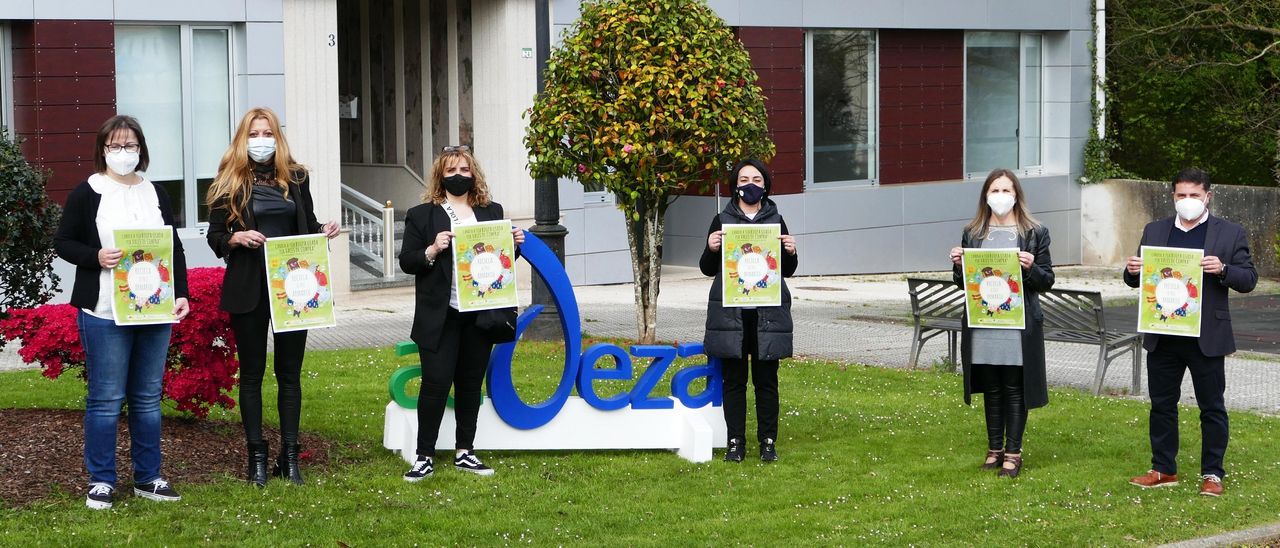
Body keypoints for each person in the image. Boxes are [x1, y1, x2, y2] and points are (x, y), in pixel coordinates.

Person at [54, 115, 191, 509]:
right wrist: (95, 256)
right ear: (102, 150)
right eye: (115, 146)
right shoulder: (88, 192)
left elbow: (173, 247)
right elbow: (64, 242)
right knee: (106, 397)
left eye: (130, 146)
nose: (123, 153)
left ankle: (149, 478)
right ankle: (101, 480)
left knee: (148, 397)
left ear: (141, 149)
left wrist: (180, 292)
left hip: (154, 308)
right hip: (103, 310)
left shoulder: (156, 192)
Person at [206, 107, 340, 486]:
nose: (261, 140)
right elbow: (215, 236)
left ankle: (290, 457)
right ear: (242, 139)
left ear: (277, 137)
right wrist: (236, 237)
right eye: (253, 134)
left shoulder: (296, 178)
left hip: (293, 291)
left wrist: (323, 230)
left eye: (267, 133)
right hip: (249, 287)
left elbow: (307, 224)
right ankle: (257, 458)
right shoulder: (229, 180)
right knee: (251, 375)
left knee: (290, 375)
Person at [1124, 168, 1256, 497]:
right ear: (1173, 197)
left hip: (1205, 336)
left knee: (1212, 407)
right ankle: (1163, 469)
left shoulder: (1229, 233)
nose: (1187, 201)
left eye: (1194, 195)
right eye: (1181, 195)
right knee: (1162, 405)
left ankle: (1213, 473)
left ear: (1208, 196)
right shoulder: (1154, 230)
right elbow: (1135, 279)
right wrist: (1130, 271)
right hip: (1163, 334)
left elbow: (1248, 279)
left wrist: (1223, 270)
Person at [399, 146, 524, 481]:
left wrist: (516, 244)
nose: (458, 175)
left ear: (474, 175)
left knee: (470, 384)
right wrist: (432, 249)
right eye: (451, 169)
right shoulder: (422, 215)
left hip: (481, 314)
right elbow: (408, 261)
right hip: (440, 315)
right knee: (435, 384)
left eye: (464, 170)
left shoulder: (490, 211)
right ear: (441, 174)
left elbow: (501, 260)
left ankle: (464, 451)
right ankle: (423, 455)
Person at [949, 168, 1054, 479]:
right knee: (991, 386)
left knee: (1014, 385)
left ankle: (1013, 452)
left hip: (1018, 324)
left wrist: (1032, 267)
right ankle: (994, 449)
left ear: (1017, 195)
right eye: (994, 191)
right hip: (984, 321)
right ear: (985, 195)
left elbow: (1047, 281)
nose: (1000, 196)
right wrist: (958, 267)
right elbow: (965, 283)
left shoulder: (1034, 232)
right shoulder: (973, 232)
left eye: (1006, 190)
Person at [701, 159, 798, 463]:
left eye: (756, 178)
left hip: (767, 315)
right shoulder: (722, 220)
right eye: (744, 179)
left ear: (766, 185)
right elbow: (706, 268)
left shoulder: (776, 220)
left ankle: (768, 442)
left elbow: (789, 270)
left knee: (766, 380)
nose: (750, 184)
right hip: (733, 315)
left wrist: (791, 252)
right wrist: (711, 248)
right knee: (734, 380)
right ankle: (735, 442)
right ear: (735, 185)